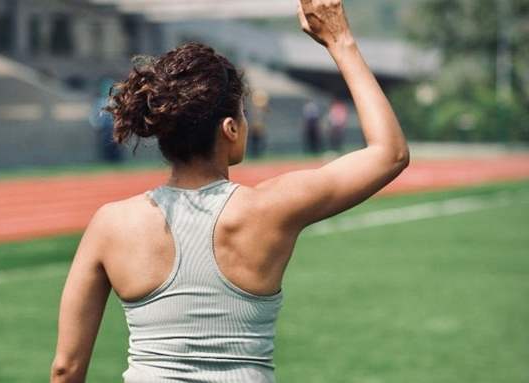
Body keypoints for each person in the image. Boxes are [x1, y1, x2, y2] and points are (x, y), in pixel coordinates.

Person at [51, 1, 410, 382]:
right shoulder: (272, 207)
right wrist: (340, 41)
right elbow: (390, 153)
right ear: (230, 129)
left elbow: (66, 368)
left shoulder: (111, 223)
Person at [89, 80, 123, 163]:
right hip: (104, 129)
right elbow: (94, 115)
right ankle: (107, 162)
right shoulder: (99, 102)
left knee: (115, 146)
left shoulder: (115, 102)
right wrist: (97, 126)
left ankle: (117, 161)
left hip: (114, 128)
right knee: (105, 147)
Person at [247, 89, 270, 158]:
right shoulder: (253, 109)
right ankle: (254, 154)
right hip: (254, 128)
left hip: (260, 127)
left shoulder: (261, 109)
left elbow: (267, 112)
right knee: (254, 142)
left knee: (261, 142)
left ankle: (259, 154)